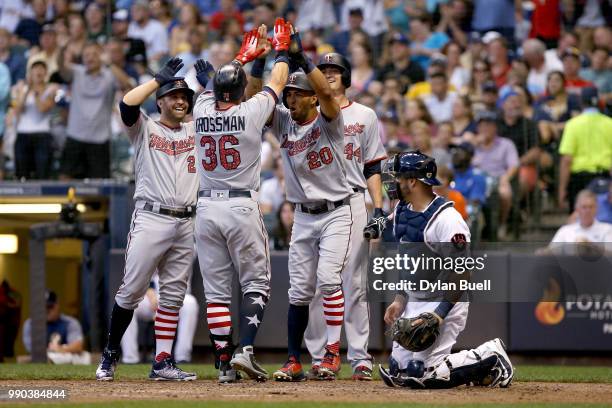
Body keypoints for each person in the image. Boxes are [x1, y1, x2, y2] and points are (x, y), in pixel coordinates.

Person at [192, 21, 289, 383]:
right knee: (255, 284)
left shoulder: (201, 109)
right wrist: (280, 49)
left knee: (216, 293)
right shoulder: (249, 112)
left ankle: (222, 364)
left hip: (206, 208)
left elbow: (217, 83)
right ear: (242, 90)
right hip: (240, 206)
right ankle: (244, 350)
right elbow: (276, 82)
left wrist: (246, 55)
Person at [367, 151, 513, 389]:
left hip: (446, 300)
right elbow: (408, 261)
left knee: (427, 374)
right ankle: (478, 370)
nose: (394, 183)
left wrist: (439, 314)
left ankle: (492, 355)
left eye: (399, 177)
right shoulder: (403, 211)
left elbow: (463, 271)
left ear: (413, 181)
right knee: (401, 371)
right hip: (417, 297)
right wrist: (400, 298)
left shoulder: (448, 220)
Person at [96, 58, 199, 382]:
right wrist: (158, 80)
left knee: (173, 296)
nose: (181, 101)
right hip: (151, 216)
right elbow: (126, 104)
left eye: (185, 97)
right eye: (174, 96)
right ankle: (111, 354)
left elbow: (222, 117)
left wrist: (209, 89)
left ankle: (163, 361)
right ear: (160, 101)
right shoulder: (145, 127)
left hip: (186, 221)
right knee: (132, 291)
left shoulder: (196, 130)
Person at [263, 32, 353, 383]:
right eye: (289, 93)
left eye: (298, 93)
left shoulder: (328, 119)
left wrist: (302, 59)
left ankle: (332, 352)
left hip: (335, 211)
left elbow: (330, 94)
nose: (291, 98)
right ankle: (293, 359)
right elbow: (260, 97)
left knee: (329, 280)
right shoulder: (284, 120)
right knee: (299, 291)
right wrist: (271, 61)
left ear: (312, 98)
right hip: (302, 214)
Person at [304, 52, 387, 381]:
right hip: (312, 204)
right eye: (323, 70)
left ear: (347, 75)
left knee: (353, 282)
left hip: (352, 201)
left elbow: (373, 166)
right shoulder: (306, 113)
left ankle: (359, 356)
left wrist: (378, 208)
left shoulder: (365, 115)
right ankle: (318, 354)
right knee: (313, 284)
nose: (329, 74)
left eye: (335, 70)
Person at [58, 42, 132, 180]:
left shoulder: (109, 75)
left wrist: (109, 64)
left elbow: (127, 84)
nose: (90, 58)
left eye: (94, 54)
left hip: (100, 138)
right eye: (86, 55)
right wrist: (62, 49)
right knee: (65, 177)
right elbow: (61, 67)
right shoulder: (76, 71)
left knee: (100, 184)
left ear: (102, 56)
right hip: (75, 135)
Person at [121, 273, 199, 364]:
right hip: (150, 296)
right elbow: (140, 273)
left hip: (179, 296)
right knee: (127, 303)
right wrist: (150, 293)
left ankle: (182, 357)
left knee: (190, 303)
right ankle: (130, 358)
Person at [558, 87, 612, 212]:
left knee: (579, 221)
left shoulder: (572, 124)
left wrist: (562, 190)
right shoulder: (610, 123)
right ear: (599, 102)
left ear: (581, 102)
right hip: (605, 178)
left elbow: (567, 160)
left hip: (579, 180)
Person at [472, 110, 519, 238]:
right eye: (482, 125)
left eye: (489, 125)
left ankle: (501, 224)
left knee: (505, 193)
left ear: (495, 127)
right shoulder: (472, 144)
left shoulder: (506, 144)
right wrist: (473, 144)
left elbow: (514, 165)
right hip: (476, 180)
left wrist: (506, 178)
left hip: (498, 179)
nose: (485, 128)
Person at [10, 60, 57, 179]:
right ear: (30, 73)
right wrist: (27, 90)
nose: (38, 71)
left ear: (46, 73)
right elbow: (18, 110)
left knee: (42, 172)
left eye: (41, 69)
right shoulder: (23, 89)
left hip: (42, 134)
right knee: (22, 173)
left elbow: (42, 108)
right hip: (23, 134)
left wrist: (36, 93)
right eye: (35, 69)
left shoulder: (50, 89)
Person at [23, 291, 91, 365]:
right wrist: (54, 350)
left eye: (50, 306)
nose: (47, 310)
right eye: (43, 307)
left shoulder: (70, 322)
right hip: (44, 359)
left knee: (84, 356)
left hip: (66, 358)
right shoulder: (31, 323)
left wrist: (61, 349)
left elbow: (78, 346)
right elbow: (33, 349)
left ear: (57, 305)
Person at [538, 190, 612, 256]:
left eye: (591, 207)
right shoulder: (565, 230)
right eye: (584, 207)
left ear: (596, 208)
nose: (587, 211)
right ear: (577, 209)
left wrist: (590, 246)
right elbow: (551, 252)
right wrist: (543, 252)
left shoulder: (607, 229)